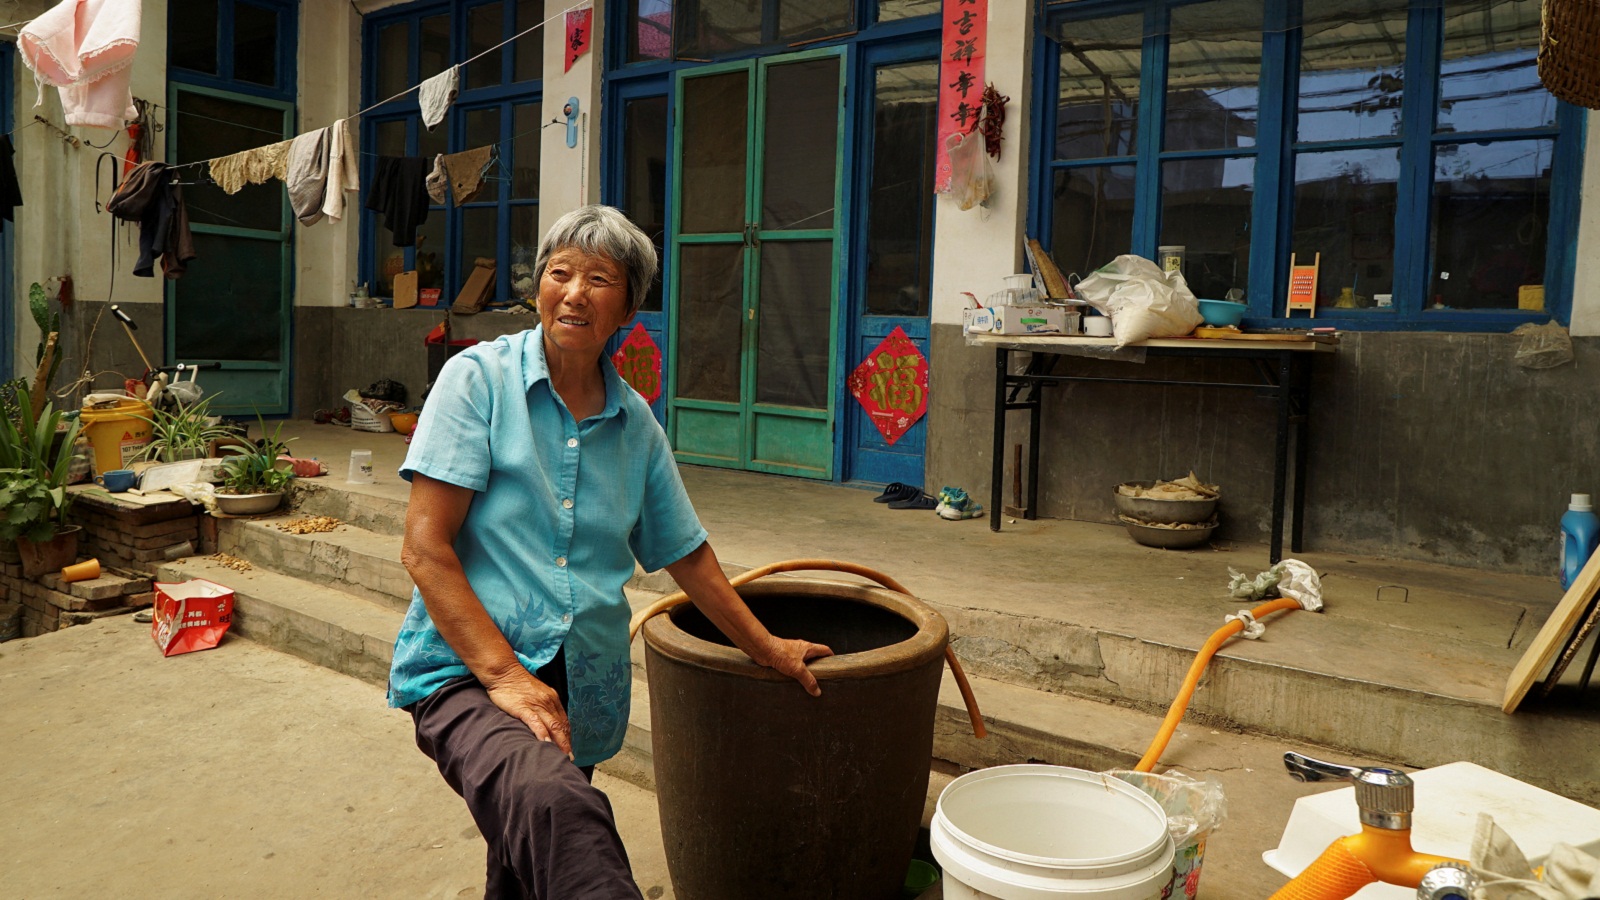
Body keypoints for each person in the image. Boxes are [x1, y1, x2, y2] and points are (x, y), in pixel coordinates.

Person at [390, 204, 834, 899]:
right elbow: (425, 549)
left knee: (530, 858)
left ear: (627, 308)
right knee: (556, 806)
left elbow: (688, 555)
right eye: (559, 273)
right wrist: (505, 675)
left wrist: (769, 647)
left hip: (579, 681)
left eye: (599, 279)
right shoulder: (478, 380)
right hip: (468, 668)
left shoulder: (636, 425)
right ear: (538, 286)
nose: (574, 293)